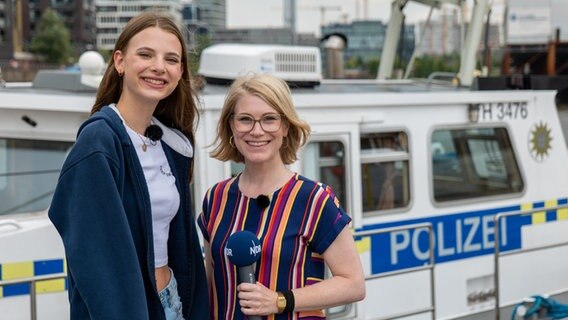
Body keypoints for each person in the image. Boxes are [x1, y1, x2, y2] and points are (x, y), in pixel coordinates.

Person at [48, 12, 208, 319]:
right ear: (120, 62)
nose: (159, 67)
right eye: (146, 54)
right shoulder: (98, 144)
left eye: (171, 59)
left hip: (173, 302)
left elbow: (182, 245)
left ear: (180, 71)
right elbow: (98, 263)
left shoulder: (171, 144)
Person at [198, 74, 365, 319]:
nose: (257, 131)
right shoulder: (217, 198)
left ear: (285, 127)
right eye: (245, 120)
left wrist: (279, 300)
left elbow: (354, 284)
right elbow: (211, 283)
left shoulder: (313, 199)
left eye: (269, 119)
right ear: (231, 126)